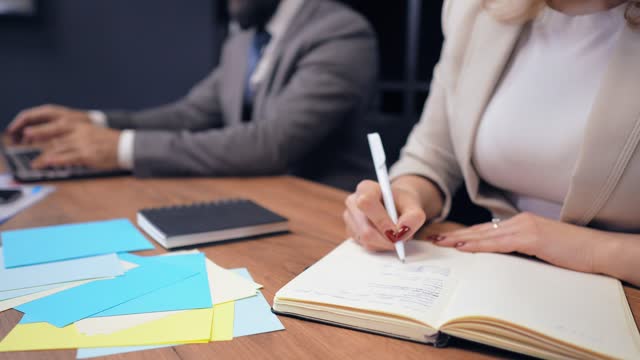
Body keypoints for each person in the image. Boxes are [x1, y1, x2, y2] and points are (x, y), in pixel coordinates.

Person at [344, 0, 640, 287]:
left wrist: (593, 249)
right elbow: (434, 156)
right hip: (494, 276)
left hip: (619, 293)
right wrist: (404, 195)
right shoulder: (476, 9)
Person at [7, 0, 378, 190]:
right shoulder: (243, 40)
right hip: (255, 195)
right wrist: (94, 121)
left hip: (326, 215)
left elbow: (272, 144)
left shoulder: (340, 32)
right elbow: (190, 114)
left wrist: (121, 148)